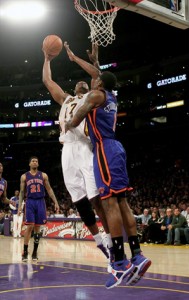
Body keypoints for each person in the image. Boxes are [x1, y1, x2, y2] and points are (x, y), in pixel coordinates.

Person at [65, 67, 151, 289]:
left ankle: (120, 263)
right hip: (116, 148)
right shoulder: (112, 97)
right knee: (122, 203)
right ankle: (137, 255)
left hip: (103, 150)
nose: (93, 84)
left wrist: (68, 124)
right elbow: (99, 77)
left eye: (96, 81)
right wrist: (91, 61)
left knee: (109, 204)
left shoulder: (95, 95)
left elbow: (77, 118)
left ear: (100, 84)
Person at [42, 47, 113, 268]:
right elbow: (47, 81)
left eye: (85, 84)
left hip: (85, 146)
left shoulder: (92, 97)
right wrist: (46, 58)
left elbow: (97, 77)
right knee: (78, 198)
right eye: (78, 84)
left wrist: (77, 59)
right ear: (73, 88)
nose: (82, 84)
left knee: (95, 197)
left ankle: (112, 242)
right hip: (67, 150)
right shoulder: (66, 99)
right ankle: (99, 241)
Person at [18, 156, 60, 262]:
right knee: (30, 226)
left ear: (38, 164)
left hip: (40, 202)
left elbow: (49, 189)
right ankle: (25, 251)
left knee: (37, 228)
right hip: (30, 202)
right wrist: (19, 207)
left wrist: (56, 202)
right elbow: (22, 192)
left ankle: (35, 252)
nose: (35, 162)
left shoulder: (43, 175)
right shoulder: (24, 176)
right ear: (29, 164)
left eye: (36, 161)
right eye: (33, 161)